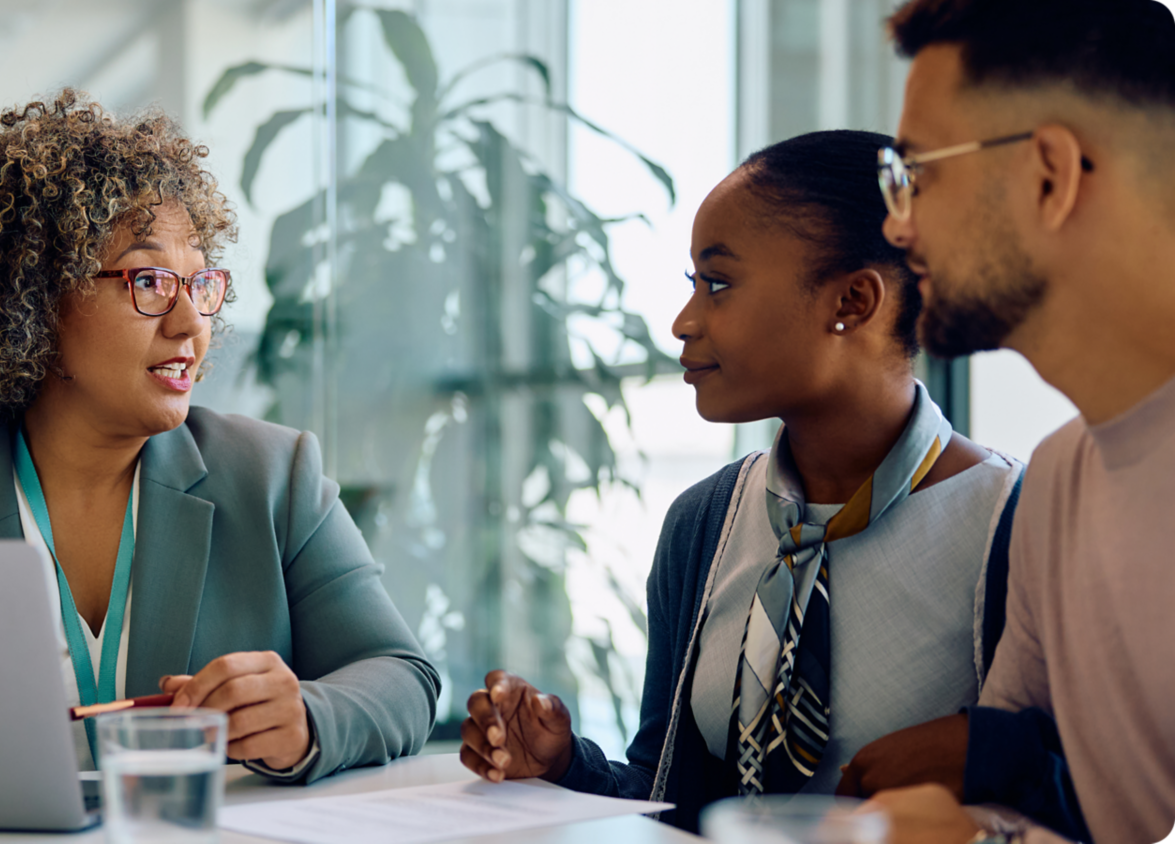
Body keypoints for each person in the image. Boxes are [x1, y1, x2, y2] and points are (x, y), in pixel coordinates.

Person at [0, 90, 439, 783]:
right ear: (32, 303)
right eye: (148, 280)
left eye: (200, 282)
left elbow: (403, 678)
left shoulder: (273, 476)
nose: (190, 323)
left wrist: (308, 720)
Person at [457, 130, 1024, 832]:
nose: (683, 322)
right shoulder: (705, 522)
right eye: (692, 285)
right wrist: (564, 763)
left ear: (852, 300)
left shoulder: (1015, 526)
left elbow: (1085, 796)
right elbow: (676, 801)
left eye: (717, 283)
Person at [834, 2, 1175, 842]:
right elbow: (1013, 789)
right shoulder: (1057, 485)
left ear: (1050, 176)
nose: (895, 222)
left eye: (918, 175)